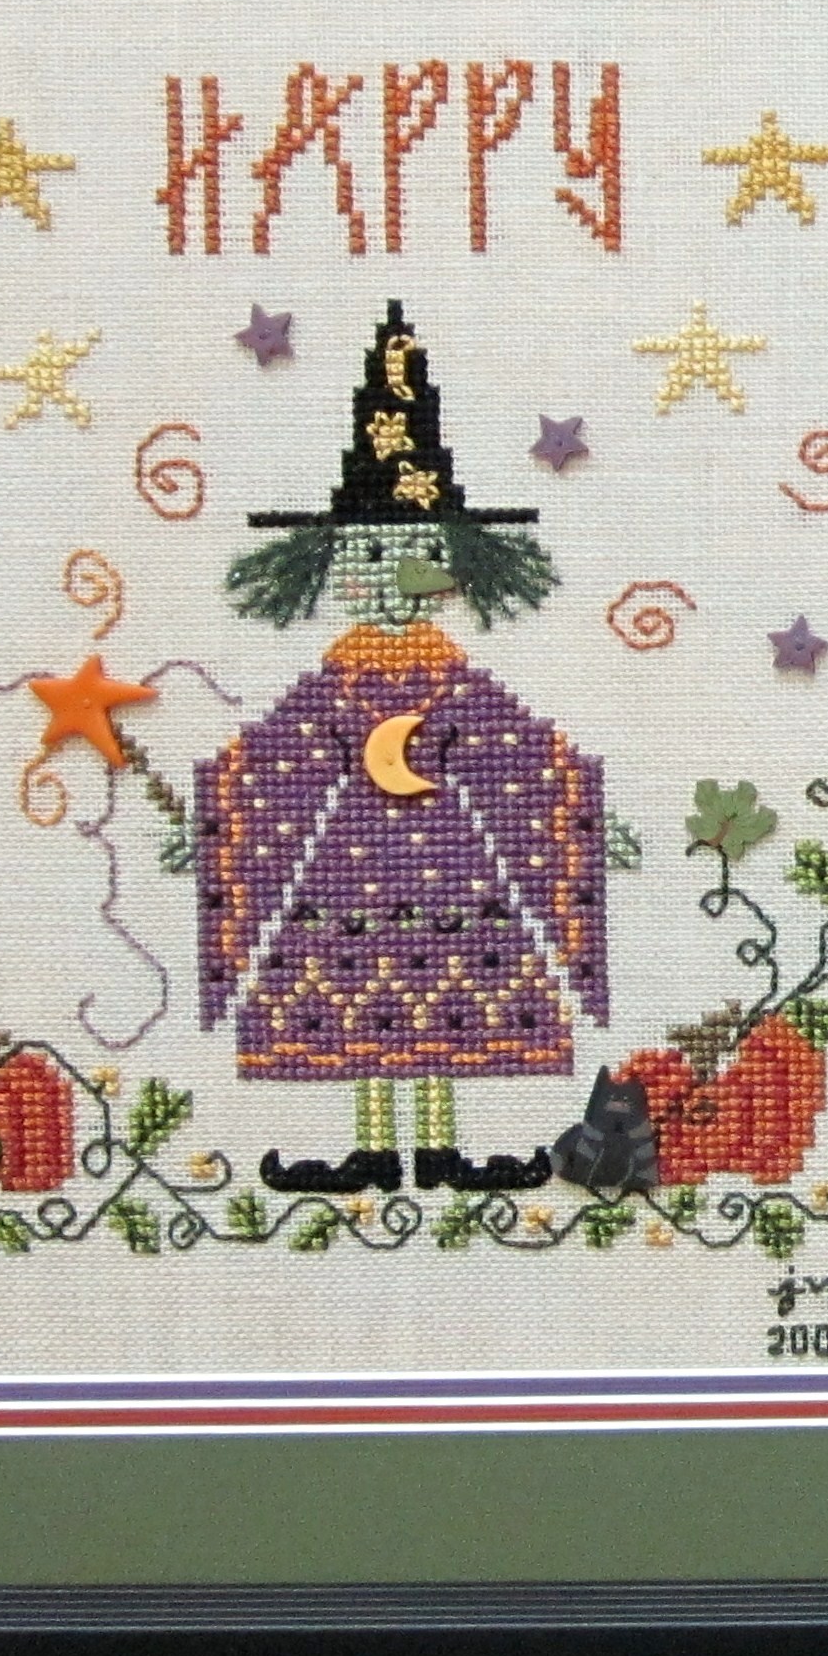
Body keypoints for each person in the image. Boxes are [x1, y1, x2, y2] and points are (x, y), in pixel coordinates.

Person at [192, 301, 613, 1196]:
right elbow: (278, 753)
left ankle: (442, 1148)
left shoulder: (453, 677)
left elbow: (519, 747)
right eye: (371, 557)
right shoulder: (336, 681)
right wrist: (219, 806)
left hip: (453, 871)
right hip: (348, 874)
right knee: (356, 1004)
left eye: (415, 555)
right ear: (331, 564)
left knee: (452, 995)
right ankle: (378, 1150)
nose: (393, 581)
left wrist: (578, 805)